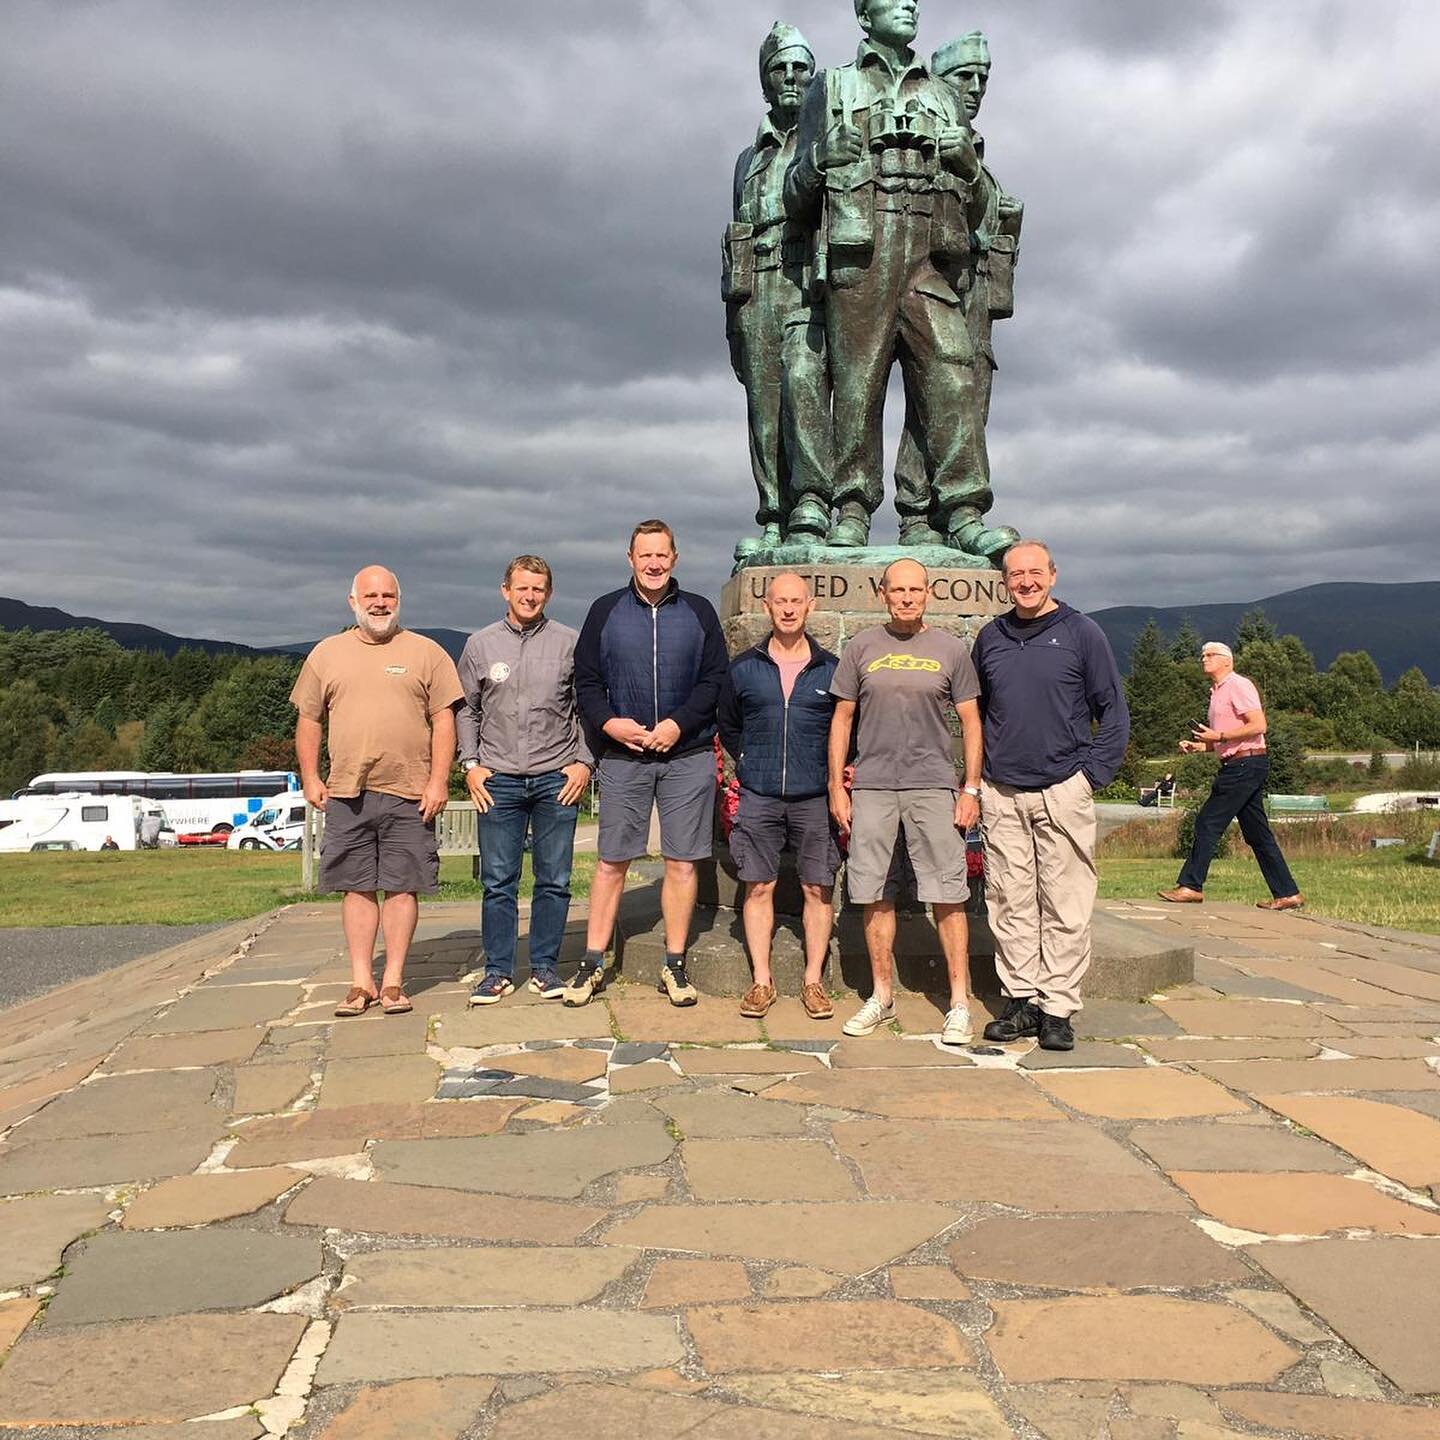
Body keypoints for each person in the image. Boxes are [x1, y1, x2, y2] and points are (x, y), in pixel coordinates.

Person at [784, 0, 1015, 556]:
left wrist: (969, 167)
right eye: (894, 0)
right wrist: (819, 158)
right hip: (861, 248)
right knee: (858, 384)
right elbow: (794, 195)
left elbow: (983, 205)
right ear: (865, 16)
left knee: (952, 370)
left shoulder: (940, 94)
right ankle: (852, 508)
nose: (909, 6)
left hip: (929, 253)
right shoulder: (830, 87)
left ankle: (960, 508)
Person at [970, 541, 1130, 1051]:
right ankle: (1020, 999)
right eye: (1016, 574)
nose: (1026, 582)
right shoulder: (990, 638)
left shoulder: (1083, 633)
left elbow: (1113, 713)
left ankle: (1057, 1007)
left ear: (1054, 576)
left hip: (1063, 789)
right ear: (1004, 582)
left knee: (1065, 903)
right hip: (1003, 792)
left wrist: (1088, 779)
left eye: (1035, 573)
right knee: (1009, 901)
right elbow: (981, 713)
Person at [291, 565, 462, 1018]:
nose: (380, 602)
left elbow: (445, 718)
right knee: (356, 887)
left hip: (410, 792)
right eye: (371, 595)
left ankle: (393, 982)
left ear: (398, 601)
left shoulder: (427, 652)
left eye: (388, 595)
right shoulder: (326, 654)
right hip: (348, 791)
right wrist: (310, 776)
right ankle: (360, 981)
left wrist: (439, 779)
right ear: (353, 602)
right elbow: (309, 719)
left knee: (404, 887)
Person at [571, 520, 729, 1006]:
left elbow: (714, 680)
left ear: (675, 558)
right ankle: (592, 962)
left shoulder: (699, 611)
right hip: (624, 756)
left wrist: (679, 724)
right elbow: (587, 681)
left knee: (682, 863)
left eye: (663, 555)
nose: (654, 564)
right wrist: (609, 723)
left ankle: (675, 965)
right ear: (631, 559)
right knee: (611, 862)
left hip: (688, 754)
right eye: (645, 556)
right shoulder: (605, 611)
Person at [828, 557, 983, 1043]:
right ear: (882, 593)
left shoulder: (951, 649)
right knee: (874, 890)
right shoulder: (861, 647)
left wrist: (971, 787)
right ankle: (881, 995)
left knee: (947, 892)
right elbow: (842, 719)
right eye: (898, 590)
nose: (907, 597)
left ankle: (959, 1001)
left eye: (915, 589)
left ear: (928, 593)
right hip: (873, 784)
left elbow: (972, 722)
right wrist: (837, 784)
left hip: (933, 783)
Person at [891, 30, 1023, 545]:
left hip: (976, 295)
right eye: (962, 77)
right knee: (937, 392)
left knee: (961, 404)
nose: (974, 87)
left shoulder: (975, 153)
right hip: (918, 282)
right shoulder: (923, 138)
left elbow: (990, 222)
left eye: (981, 78)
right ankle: (917, 512)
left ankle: (938, 518)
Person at [458, 556, 594, 1005]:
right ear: (505, 590)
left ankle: (544, 968)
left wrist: (584, 763)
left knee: (554, 879)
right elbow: (467, 710)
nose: (530, 596)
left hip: (558, 777)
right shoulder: (480, 645)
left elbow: (586, 709)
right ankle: (497, 971)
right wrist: (471, 764)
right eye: (522, 588)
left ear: (548, 593)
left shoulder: (570, 643)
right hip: (498, 779)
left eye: (538, 589)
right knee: (499, 881)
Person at [725, 22, 832, 557]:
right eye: (779, 69)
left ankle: (813, 503)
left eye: (800, 67)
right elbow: (736, 236)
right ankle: (773, 515)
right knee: (763, 408)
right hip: (754, 291)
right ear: (765, 82)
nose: (791, 77)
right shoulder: (749, 159)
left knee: (804, 383)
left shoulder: (826, 141)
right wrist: (733, 322)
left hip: (803, 285)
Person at [717, 573, 840, 1020]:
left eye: (796, 602)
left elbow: (848, 731)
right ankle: (761, 982)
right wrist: (749, 760)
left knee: (817, 887)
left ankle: (812, 981)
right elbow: (728, 723)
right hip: (761, 792)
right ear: (767, 607)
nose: (788, 609)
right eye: (780, 602)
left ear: (810, 607)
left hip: (813, 797)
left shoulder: (831, 668)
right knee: (759, 885)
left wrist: (829, 775)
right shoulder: (744, 668)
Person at [1158, 641, 1304, 911]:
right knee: (1257, 834)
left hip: (1244, 765)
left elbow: (1259, 725)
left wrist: (1220, 736)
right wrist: (1201, 745)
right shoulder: (1216, 692)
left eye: (1210, 655)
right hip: (1241, 762)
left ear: (1227, 660)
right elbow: (1224, 738)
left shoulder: (1238, 685)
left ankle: (1191, 886)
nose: (1204, 659)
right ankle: (1288, 893)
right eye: (1202, 654)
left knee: (1207, 822)